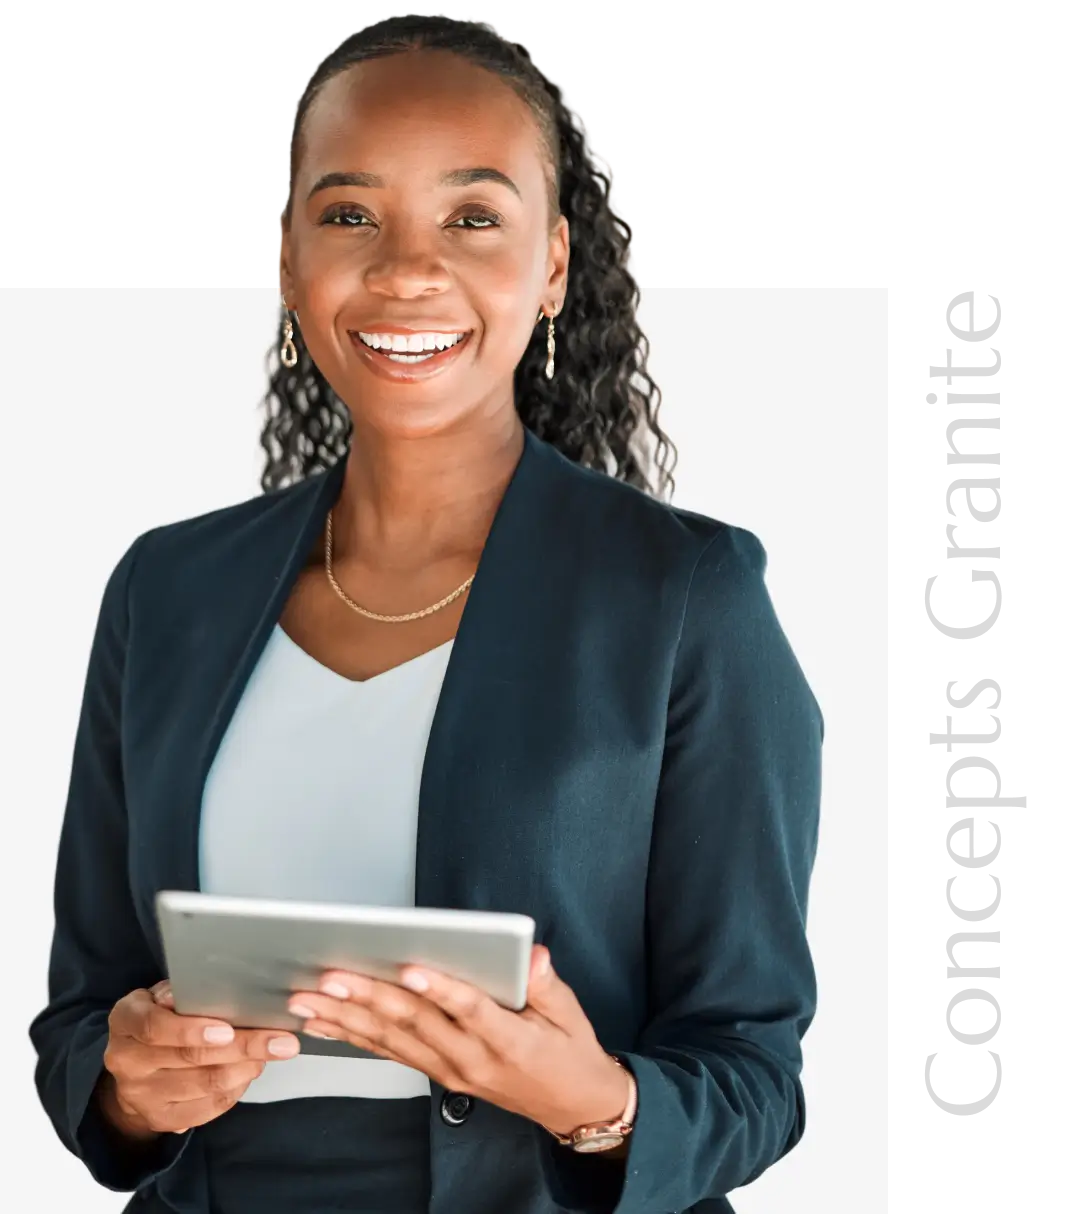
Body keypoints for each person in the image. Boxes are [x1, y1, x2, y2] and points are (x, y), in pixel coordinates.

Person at [29, 14, 823, 1214]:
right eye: (349, 215)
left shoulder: (684, 596)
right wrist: (131, 1085)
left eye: (473, 216)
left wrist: (592, 1098)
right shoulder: (166, 589)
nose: (406, 270)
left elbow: (753, 1069)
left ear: (551, 263)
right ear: (289, 255)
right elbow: (83, 1017)